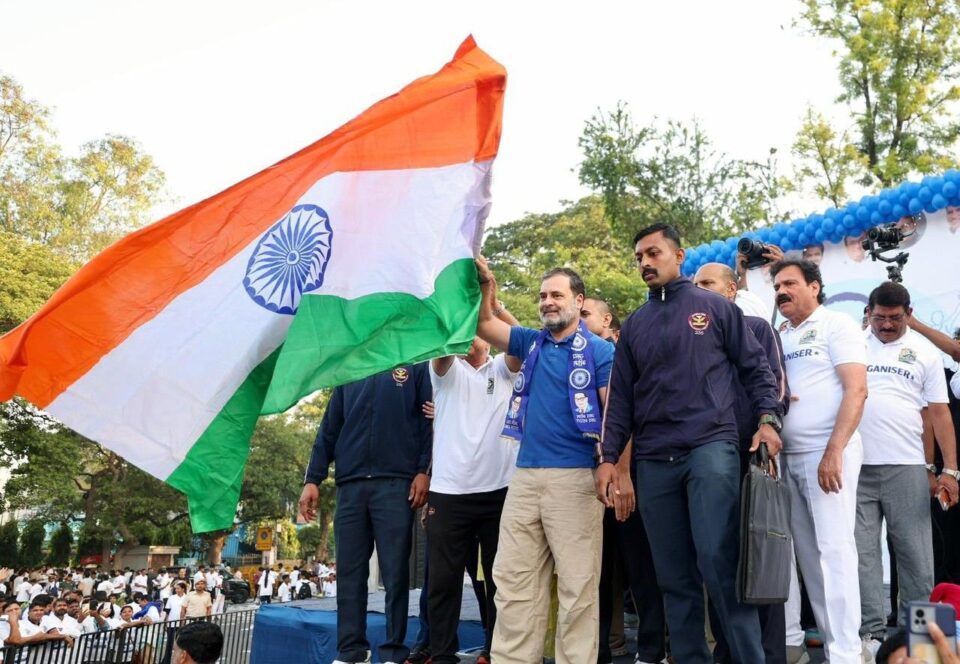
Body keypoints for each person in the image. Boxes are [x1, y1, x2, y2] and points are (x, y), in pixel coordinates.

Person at [599, 224, 782, 664]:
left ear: (678, 256)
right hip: (654, 459)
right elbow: (620, 399)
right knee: (673, 577)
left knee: (720, 564)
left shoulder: (714, 308)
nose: (645, 263)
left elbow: (757, 369)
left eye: (653, 253)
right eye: (639, 257)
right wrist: (608, 458)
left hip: (710, 448)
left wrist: (768, 421)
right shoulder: (636, 325)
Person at [474, 258, 615, 664]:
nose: (548, 302)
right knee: (513, 581)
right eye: (542, 296)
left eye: (557, 295)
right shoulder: (529, 342)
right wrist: (486, 287)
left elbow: (613, 414)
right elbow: (485, 324)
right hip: (523, 478)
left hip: (577, 477)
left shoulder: (601, 350)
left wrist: (613, 467)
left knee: (577, 585)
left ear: (579, 301)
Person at [298, 363, 433, 664]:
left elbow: (428, 422)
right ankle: (351, 650)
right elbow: (329, 427)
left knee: (395, 572)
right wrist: (312, 479)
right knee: (349, 572)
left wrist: (424, 470)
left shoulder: (416, 361)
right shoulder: (351, 364)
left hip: (396, 482)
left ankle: (393, 651)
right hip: (350, 485)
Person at [693, 261, 791, 664]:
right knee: (717, 558)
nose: (699, 289)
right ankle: (727, 652)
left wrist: (766, 430)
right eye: (695, 284)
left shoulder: (757, 328)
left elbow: (777, 389)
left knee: (759, 556)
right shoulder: (691, 338)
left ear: (731, 290)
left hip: (751, 456)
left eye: (708, 283)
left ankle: (770, 655)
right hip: (705, 459)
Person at [772, 257, 868, 664]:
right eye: (777, 286)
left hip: (827, 454)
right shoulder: (778, 335)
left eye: (790, 283)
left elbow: (857, 390)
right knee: (809, 557)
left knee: (835, 550)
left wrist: (834, 451)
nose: (781, 292)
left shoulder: (836, 325)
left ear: (814, 286)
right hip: (787, 457)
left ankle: (847, 652)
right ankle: (831, 645)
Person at [856, 282, 960, 654]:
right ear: (868, 313)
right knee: (862, 558)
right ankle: (869, 639)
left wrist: (950, 470)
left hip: (907, 467)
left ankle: (923, 646)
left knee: (917, 559)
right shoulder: (851, 345)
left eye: (895, 318)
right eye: (880, 318)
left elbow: (939, 414)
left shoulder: (924, 351)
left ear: (909, 315)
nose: (887, 325)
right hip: (855, 467)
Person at [425, 294, 521, 664]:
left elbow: (524, 342)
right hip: (449, 493)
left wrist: (493, 305)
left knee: (501, 580)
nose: (470, 336)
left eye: (476, 329)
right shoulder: (445, 371)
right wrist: (460, 307)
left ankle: (496, 650)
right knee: (443, 580)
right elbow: (444, 351)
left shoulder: (504, 368)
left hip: (500, 491)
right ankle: (441, 653)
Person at [582, 296, 666, 664]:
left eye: (586, 314)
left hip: (627, 477)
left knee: (641, 569)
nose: (580, 320)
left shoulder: (622, 356)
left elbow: (624, 417)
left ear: (607, 320)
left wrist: (622, 473)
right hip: (587, 480)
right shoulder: (573, 357)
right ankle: (598, 650)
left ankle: (651, 649)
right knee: (597, 574)